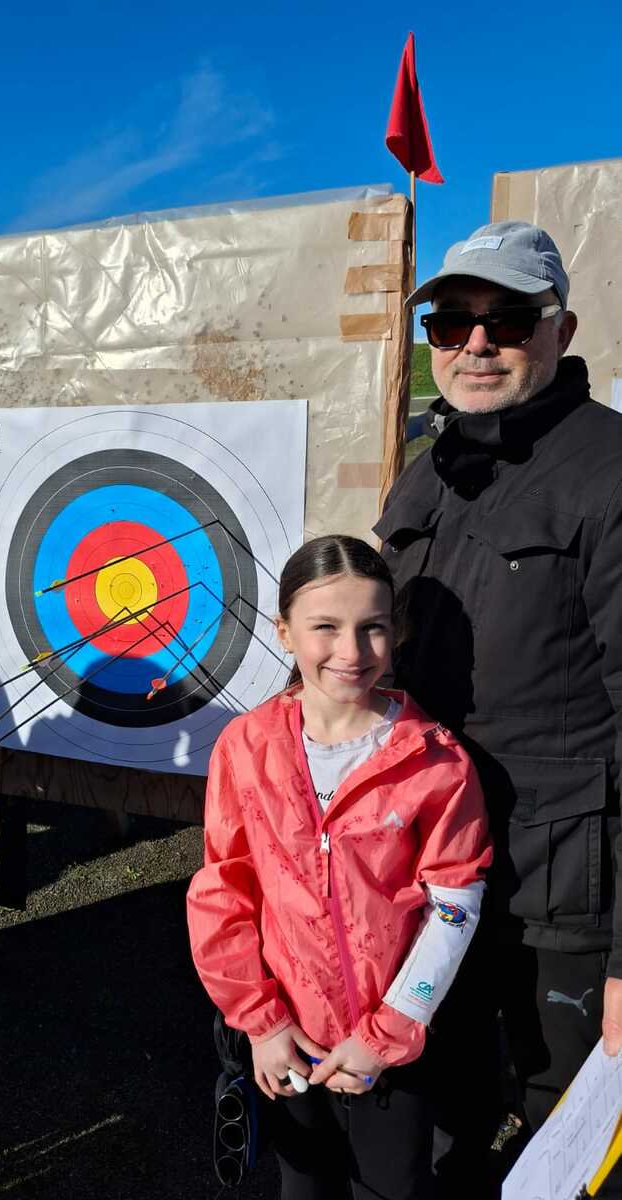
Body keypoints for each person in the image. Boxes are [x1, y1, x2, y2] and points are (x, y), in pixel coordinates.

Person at [375, 220, 622, 1192]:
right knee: (446, 1117)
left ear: (561, 329)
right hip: (430, 878)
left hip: (555, 892)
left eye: (508, 320)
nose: (475, 344)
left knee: (571, 1150)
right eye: (450, 322)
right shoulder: (428, 469)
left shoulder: (609, 471)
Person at [187, 535, 491, 1200]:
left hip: (394, 1054)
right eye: (325, 627)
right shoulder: (245, 746)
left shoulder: (437, 760)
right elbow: (222, 890)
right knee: (304, 1185)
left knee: (392, 1189)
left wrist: (389, 1034)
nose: (351, 652)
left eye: (372, 627)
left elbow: (454, 904)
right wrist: (262, 1023)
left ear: (396, 632)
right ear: (285, 632)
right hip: (287, 1043)